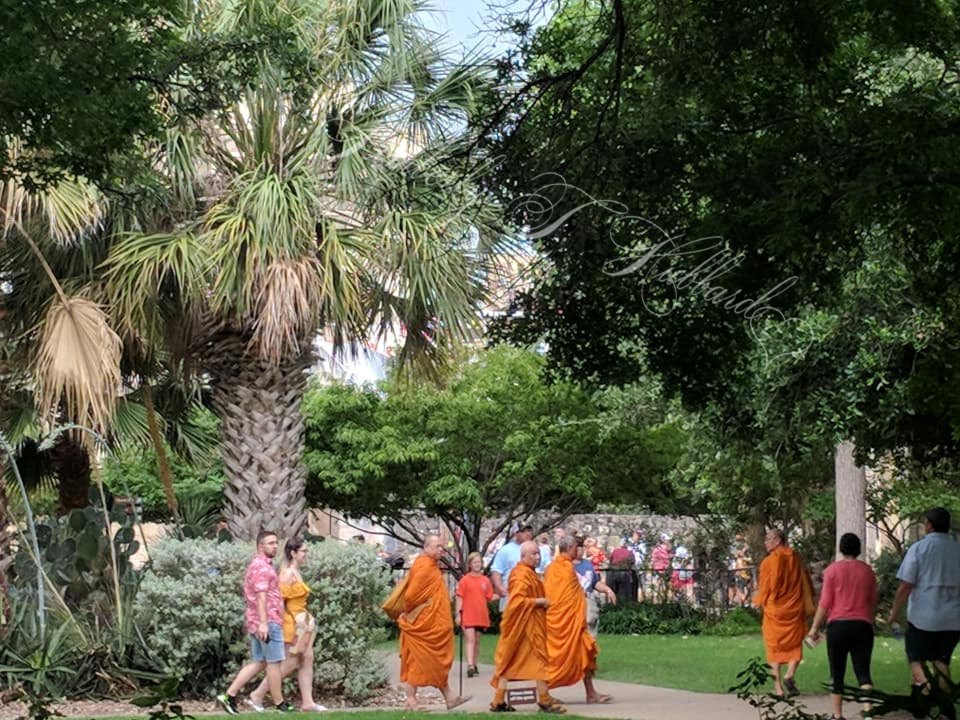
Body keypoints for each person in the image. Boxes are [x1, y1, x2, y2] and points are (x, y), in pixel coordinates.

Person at [888, 507, 960, 720]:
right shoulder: (957, 550)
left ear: (929, 525)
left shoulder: (919, 549)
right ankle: (946, 706)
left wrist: (893, 613)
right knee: (941, 661)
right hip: (953, 618)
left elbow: (905, 585)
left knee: (915, 658)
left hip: (923, 618)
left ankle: (925, 694)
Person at [217, 531, 295, 714]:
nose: (275, 546)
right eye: (270, 543)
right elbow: (261, 597)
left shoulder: (259, 565)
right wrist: (264, 623)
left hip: (260, 621)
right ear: (261, 546)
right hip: (267, 621)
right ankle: (279, 703)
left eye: (276, 543)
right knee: (274, 662)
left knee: (259, 661)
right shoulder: (262, 568)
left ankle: (230, 695)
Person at [248, 537, 327, 712]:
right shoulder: (287, 573)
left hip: (303, 621)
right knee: (290, 662)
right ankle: (258, 693)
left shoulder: (296, 572)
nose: (306, 554)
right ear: (293, 553)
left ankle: (308, 702)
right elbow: (278, 601)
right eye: (303, 551)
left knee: (307, 659)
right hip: (292, 622)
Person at [489, 541, 565, 714]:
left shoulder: (529, 573)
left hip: (530, 625)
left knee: (515, 664)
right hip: (522, 628)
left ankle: (499, 701)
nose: (537, 557)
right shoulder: (520, 574)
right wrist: (539, 601)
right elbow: (516, 602)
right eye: (534, 554)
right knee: (536, 662)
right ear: (523, 556)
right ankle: (544, 701)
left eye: (538, 554)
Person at [807, 532, 877, 720]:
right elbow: (872, 600)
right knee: (863, 671)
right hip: (862, 625)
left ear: (841, 548)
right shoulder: (868, 571)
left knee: (837, 672)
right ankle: (868, 712)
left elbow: (825, 603)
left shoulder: (831, 571)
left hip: (837, 626)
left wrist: (814, 628)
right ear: (858, 549)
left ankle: (837, 715)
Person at [398, 534, 471, 711]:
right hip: (424, 623)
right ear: (427, 547)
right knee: (419, 660)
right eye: (437, 546)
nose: (441, 549)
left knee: (432, 661)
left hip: (434, 622)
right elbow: (410, 596)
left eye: (441, 546)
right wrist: (420, 610)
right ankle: (411, 699)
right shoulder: (423, 566)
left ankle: (449, 697)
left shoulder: (431, 565)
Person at [545, 535, 613, 704]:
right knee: (556, 658)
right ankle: (544, 694)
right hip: (562, 620)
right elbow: (560, 594)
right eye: (577, 547)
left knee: (586, 654)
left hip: (575, 619)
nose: (579, 550)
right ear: (570, 548)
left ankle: (591, 693)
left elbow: (575, 593)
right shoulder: (561, 568)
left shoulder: (557, 567)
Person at [753, 528, 814, 697]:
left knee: (774, 647)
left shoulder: (768, 562)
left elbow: (765, 587)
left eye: (768, 539)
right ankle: (790, 675)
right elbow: (805, 581)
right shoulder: (796, 558)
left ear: (778, 540)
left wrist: (758, 601)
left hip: (775, 611)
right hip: (794, 608)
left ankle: (778, 687)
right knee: (795, 643)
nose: (765, 543)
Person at [455, 551, 496, 678]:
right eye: (474, 562)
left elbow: (489, 596)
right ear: (470, 565)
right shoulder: (465, 580)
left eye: (479, 562)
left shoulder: (485, 580)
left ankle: (475, 663)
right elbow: (459, 597)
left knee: (477, 640)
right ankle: (470, 666)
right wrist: (458, 614)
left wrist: (502, 593)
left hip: (480, 614)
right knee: (470, 639)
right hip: (468, 613)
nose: (477, 565)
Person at [572, 535, 617, 637]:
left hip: (588, 599)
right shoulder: (566, 565)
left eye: (582, 546)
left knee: (590, 622)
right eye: (578, 547)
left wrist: (607, 590)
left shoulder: (588, 564)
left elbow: (595, 582)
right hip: (573, 601)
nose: (581, 549)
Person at [491, 524, 533, 610]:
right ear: (516, 534)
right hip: (510, 593)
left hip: (529, 595)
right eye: (523, 531)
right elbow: (496, 570)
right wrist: (499, 587)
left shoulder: (534, 549)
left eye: (529, 531)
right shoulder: (506, 550)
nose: (527, 533)